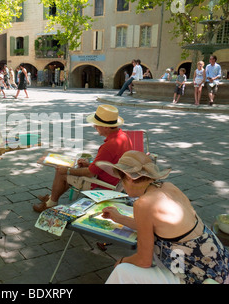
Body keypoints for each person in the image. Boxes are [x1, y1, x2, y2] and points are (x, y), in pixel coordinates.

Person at [96, 150, 229, 284]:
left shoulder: (143, 203)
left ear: (129, 178)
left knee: (122, 271)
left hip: (198, 273)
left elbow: (143, 261)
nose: (122, 186)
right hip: (219, 263)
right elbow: (152, 226)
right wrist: (118, 217)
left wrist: (122, 261)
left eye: (121, 180)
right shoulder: (168, 186)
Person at [33, 104, 133, 213]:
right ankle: (52, 197)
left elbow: (90, 173)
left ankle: (51, 203)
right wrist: (89, 164)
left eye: (97, 124)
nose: (94, 126)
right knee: (69, 171)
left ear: (106, 127)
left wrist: (67, 170)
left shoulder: (109, 146)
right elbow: (108, 163)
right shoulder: (124, 136)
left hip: (103, 184)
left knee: (61, 172)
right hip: (116, 180)